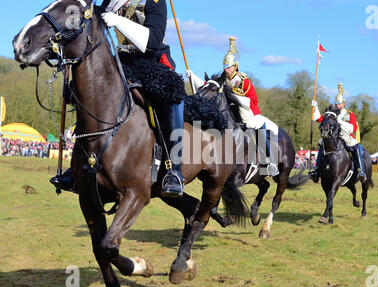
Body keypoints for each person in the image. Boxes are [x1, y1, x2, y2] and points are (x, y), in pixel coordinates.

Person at [50, 0, 186, 198]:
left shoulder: (155, 1)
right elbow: (87, 18)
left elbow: (154, 39)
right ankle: (76, 166)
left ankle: (174, 170)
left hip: (151, 60)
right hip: (121, 61)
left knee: (172, 95)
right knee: (82, 92)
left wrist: (118, 21)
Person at [186, 37, 279, 176]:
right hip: (230, 109)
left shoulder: (243, 80)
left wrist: (235, 100)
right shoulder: (224, 79)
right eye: (225, 67)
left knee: (258, 126)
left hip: (247, 109)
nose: (226, 70)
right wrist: (192, 76)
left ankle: (269, 160)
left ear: (235, 66)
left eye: (228, 67)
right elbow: (210, 86)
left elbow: (252, 99)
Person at [309, 83, 367, 183]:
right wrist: (316, 107)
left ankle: (361, 171)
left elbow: (354, 127)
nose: (337, 105)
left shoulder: (349, 114)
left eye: (339, 104)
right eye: (336, 104)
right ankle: (316, 170)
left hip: (346, 136)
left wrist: (340, 122)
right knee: (322, 144)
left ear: (343, 104)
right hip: (333, 137)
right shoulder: (332, 114)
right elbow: (319, 119)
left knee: (356, 146)